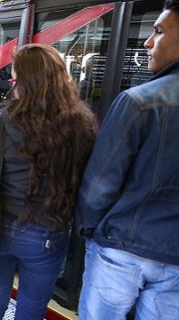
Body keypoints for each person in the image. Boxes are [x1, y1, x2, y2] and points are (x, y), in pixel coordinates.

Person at [0, 44, 98, 320]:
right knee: (31, 310)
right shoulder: (80, 123)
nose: (12, 84)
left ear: (26, 81)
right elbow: (86, 180)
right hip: (48, 230)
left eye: (15, 78)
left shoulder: (1, 121)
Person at [75, 1, 179, 319]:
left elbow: (100, 184)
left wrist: (88, 230)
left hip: (120, 248)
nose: (147, 42)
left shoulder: (139, 102)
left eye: (158, 31)